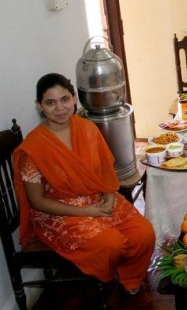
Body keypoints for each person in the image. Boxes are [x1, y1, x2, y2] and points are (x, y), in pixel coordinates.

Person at [12, 73, 156, 295]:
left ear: (74, 99)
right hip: (60, 213)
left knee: (144, 234)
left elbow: (106, 173)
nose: (59, 108)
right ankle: (108, 274)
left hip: (97, 198)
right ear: (39, 106)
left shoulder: (87, 129)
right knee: (111, 244)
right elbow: (37, 201)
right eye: (50, 102)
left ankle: (130, 276)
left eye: (65, 99)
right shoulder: (34, 148)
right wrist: (88, 211)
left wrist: (108, 198)